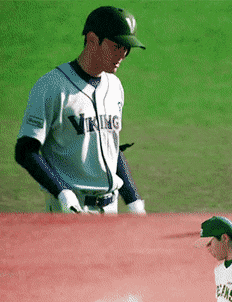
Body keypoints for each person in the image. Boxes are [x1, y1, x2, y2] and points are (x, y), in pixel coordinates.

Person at [15, 6, 146, 214]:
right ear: (93, 40)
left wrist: (132, 199)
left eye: (127, 48)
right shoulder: (52, 87)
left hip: (111, 211)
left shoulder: (115, 87)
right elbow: (25, 151)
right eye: (117, 46)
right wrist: (61, 191)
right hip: (71, 209)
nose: (123, 54)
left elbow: (112, 149)